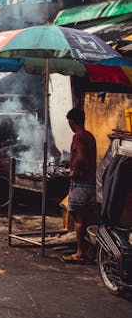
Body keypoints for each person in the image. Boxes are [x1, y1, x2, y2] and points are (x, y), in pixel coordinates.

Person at [62, 107, 97, 264]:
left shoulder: (78, 136)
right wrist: (70, 162)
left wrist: (73, 171)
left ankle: (79, 253)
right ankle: (90, 252)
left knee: (79, 219)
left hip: (81, 183)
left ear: (72, 121)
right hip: (91, 182)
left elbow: (82, 157)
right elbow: (85, 157)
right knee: (89, 219)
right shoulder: (90, 136)